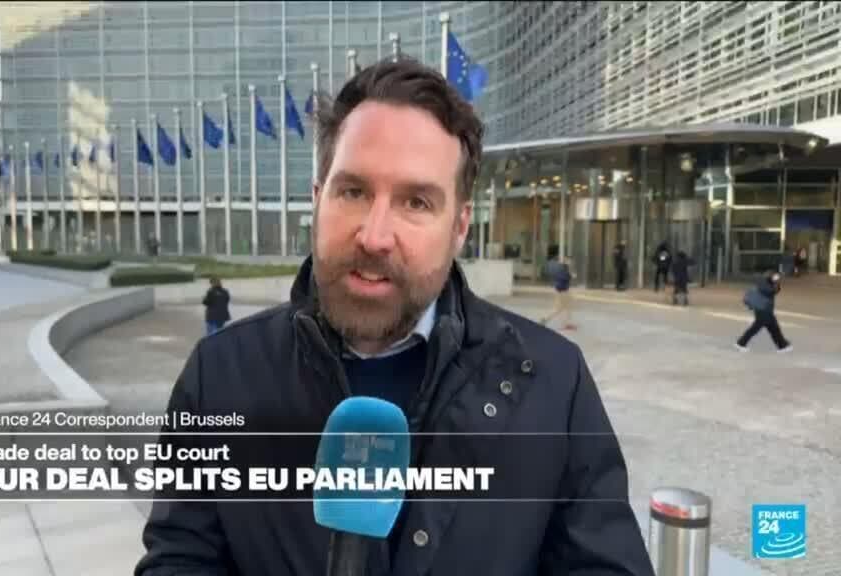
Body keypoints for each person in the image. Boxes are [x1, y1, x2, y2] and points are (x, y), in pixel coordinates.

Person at [136, 57, 652, 576]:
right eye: (354, 191)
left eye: (416, 202)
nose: (375, 235)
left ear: (460, 227)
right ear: (318, 201)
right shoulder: (218, 375)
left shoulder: (554, 383)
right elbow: (180, 561)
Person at [737, 270, 792, 353]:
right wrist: (776, 284)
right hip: (763, 309)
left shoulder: (763, 282)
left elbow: (773, 291)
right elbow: (771, 291)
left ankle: (782, 345)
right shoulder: (764, 284)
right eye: (773, 277)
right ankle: (741, 343)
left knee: (774, 328)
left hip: (765, 309)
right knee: (756, 328)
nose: (775, 278)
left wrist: (776, 283)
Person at [540, 254, 576, 330]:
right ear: (566, 261)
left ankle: (546, 319)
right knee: (563, 307)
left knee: (565, 307)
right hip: (562, 290)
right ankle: (564, 323)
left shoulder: (565, 267)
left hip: (562, 289)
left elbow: (563, 277)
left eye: (571, 261)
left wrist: (570, 275)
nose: (571, 262)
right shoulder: (563, 268)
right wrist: (570, 276)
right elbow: (562, 277)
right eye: (569, 261)